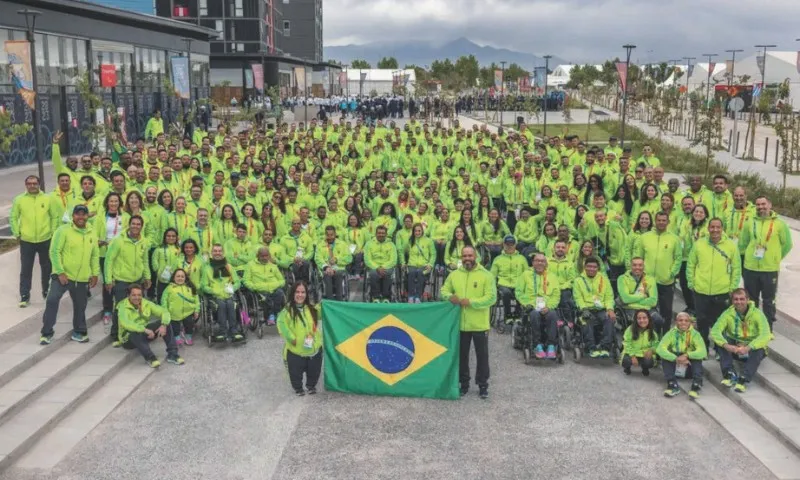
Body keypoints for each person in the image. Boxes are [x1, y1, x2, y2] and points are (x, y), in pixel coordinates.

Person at [441, 246, 496, 399]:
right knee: (462, 356)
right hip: (460, 324)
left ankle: (483, 384)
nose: (467, 258)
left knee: (482, 356)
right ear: (461, 257)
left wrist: (470, 302)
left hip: (479, 324)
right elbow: (444, 290)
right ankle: (463, 383)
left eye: (470, 255)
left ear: (476, 256)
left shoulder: (486, 275)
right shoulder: (454, 275)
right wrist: (449, 297)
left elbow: (491, 298)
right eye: (464, 256)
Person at [40, 205, 100, 345]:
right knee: (52, 300)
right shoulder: (63, 230)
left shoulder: (92, 232)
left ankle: (79, 331)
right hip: (62, 276)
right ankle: (47, 332)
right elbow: (54, 252)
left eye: (83, 214)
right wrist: (60, 272)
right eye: (77, 214)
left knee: (80, 305)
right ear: (73, 216)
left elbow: (94, 255)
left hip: (81, 278)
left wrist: (95, 273)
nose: (81, 217)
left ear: (87, 216)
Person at [687, 217, 741, 351]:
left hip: (721, 291)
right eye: (712, 227)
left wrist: (733, 287)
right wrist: (691, 282)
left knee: (720, 323)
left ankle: (719, 349)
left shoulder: (731, 246)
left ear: (722, 229)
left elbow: (736, 268)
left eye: (718, 227)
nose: (715, 230)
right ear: (708, 228)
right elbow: (691, 264)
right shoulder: (699, 244)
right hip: (701, 290)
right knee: (702, 321)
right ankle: (703, 346)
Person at [740, 196, 792, 329]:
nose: (760, 207)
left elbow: (787, 245)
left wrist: (775, 258)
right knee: (751, 300)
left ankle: (768, 327)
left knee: (769, 300)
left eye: (763, 204)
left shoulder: (780, 224)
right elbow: (743, 244)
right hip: (751, 268)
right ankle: (752, 325)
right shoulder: (749, 222)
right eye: (758, 205)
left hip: (770, 269)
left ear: (770, 205)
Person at [710, 289, 772, 393]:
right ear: (732, 301)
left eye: (742, 299)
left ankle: (743, 378)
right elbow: (715, 331)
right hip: (735, 347)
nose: (739, 302)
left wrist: (748, 347)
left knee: (760, 348)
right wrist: (727, 345)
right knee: (720, 342)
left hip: (751, 348)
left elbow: (766, 335)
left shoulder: (758, 314)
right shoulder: (727, 313)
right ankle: (729, 374)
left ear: (748, 300)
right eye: (736, 299)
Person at [104, 215, 151, 346]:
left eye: (138, 224)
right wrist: (108, 280)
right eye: (133, 224)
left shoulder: (144, 242)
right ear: (129, 225)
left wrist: (147, 277)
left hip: (137, 280)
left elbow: (145, 261)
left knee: (136, 309)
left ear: (142, 227)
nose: (136, 226)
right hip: (121, 280)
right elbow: (109, 260)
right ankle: (115, 335)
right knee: (120, 308)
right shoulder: (118, 241)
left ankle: (133, 334)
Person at [11, 175, 54, 307]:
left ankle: (46, 291)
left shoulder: (47, 199)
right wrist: (17, 233)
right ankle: (24, 295)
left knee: (46, 268)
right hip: (27, 240)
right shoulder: (19, 199)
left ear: (39, 184)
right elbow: (13, 217)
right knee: (26, 269)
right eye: (29, 183)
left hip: (45, 239)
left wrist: (52, 232)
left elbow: (54, 217)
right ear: (26, 185)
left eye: (34, 183)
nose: (32, 186)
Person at [633, 211, 681, 326]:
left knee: (666, 311)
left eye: (664, 220)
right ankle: (648, 335)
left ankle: (664, 336)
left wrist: (671, 273)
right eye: (659, 220)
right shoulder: (645, 237)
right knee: (646, 310)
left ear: (668, 222)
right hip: (647, 281)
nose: (661, 222)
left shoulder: (674, 239)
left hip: (666, 281)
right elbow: (638, 257)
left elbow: (678, 258)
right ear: (655, 221)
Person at [118, 283, 183, 368]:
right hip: (128, 339)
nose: (137, 297)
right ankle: (150, 358)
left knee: (165, 322)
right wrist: (144, 330)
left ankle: (173, 354)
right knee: (134, 332)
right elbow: (126, 323)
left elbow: (164, 312)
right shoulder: (122, 306)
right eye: (133, 295)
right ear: (128, 295)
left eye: (139, 295)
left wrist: (163, 325)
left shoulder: (146, 303)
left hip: (146, 333)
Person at [277, 282, 322, 396]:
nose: (300, 295)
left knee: (314, 370)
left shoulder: (312, 309)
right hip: (296, 350)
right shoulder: (287, 311)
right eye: (297, 292)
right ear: (292, 293)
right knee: (295, 373)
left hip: (314, 348)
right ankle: (298, 388)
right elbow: (281, 324)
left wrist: (328, 305)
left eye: (303, 292)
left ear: (306, 294)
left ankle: (311, 385)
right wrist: (292, 338)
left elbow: (325, 312)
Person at [516, 253, 560, 359]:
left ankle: (551, 345)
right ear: (533, 262)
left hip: (547, 306)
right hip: (531, 306)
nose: (540, 263)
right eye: (537, 260)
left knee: (553, 314)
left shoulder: (552, 277)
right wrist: (528, 304)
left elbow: (556, 295)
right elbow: (519, 292)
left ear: (546, 263)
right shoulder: (525, 275)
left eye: (542, 261)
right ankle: (537, 345)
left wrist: (549, 306)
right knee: (534, 315)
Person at [657, 312, 707, 399]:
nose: (683, 323)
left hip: (689, 368)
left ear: (690, 323)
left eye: (686, 320)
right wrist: (676, 358)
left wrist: (687, 355)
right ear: (676, 322)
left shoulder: (695, 334)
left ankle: (696, 385)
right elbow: (660, 349)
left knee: (697, 357)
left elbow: (703, 352)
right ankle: (672, 385)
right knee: (665, 357)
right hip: (675, 367)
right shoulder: (671, 333)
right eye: (680, 320)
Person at [572, 257, 616, 358]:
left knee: (609, 319)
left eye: (594, 267)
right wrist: (583, 308)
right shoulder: (578, 280)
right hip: (586, 309)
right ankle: (591, 347)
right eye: (589, 266)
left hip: (601, 309)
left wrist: (610, 309)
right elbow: (577, 297)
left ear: (598, 268)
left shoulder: (604, 280)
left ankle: (605, 347)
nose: (592, 269)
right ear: (585, 267)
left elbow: (609, 296)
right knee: (586, 320)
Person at [202, 244, 244, 342]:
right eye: (215, 251)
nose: (217, 253)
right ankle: (222, 331)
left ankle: (234, 330)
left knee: (230, 303)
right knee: (221, 304)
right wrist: (213, 291)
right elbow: (204, 285)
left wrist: (232, 288)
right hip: (215, 296)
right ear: (211, 253)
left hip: (229, 294)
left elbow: (237, 281)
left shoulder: (229, 267)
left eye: (219, 251)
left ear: (223, 253)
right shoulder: (207, 269)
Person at [616, 257, 665, 334]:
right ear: (630, 266)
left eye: (640, 265)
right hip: (629, 309)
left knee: (658, 320)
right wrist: (643, 296)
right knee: (639, 321)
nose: (637, 268)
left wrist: (631, 301)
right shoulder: (622, 279)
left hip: (645, 308)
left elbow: (653, 301)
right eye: (634, 265)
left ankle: (655, 341)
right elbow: (625, 299)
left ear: (643, 266)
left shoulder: (650, 279)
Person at [490, 235, 529, 324]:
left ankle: (517, 314)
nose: (509, 246)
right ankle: (507, 315)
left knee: (522, 291)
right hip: (503, 284)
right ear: (504, 245)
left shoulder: (522, 259)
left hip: (518, 284)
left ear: (515, 245)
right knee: (506, 292)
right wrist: (493, 286)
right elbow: (492, 275)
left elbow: (527, 274)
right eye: (507, 244)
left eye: (512, 244)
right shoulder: (498, 259)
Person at [243, 247, 286, 326]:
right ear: (258, 256)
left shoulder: (273, 266)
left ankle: (273, 316)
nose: (265, 258)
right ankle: (270, 317)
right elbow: (246, 281)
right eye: (262, 256)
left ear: (269, 256)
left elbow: (282, 280)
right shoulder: (250, 265)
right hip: (259, 289)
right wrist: (254, 287)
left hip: (273, 288)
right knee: (266, 298)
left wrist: (274, 285)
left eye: (266, 256)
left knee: (280, 293)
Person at [160, 268, 200, 346]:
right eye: (178, 276)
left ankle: (188, 336)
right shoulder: (168, 289)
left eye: (182, 276)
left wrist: (197, 310)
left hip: (188, 312)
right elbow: (163, 301)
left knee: (189, 325)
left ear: (185, 278)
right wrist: (166, 312)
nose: (180, 278)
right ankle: (177, 337)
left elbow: (196, 300)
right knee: (175, 328)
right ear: (173, 277)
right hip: (174, 313)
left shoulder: (190, 287)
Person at [314, 226, 352, 301]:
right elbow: (318, 258)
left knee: (338, 274)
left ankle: (339, 300)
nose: (330, 237)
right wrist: (326, 267)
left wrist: (337, 260)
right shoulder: (320, 245)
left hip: (339, 268)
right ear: (325, 235)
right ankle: (330, 300)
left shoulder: (343, 244)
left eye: (332, 235)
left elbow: (349, 258)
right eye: (328, 235)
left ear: (335, 234)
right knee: (327, 275)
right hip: (326, 269)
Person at [364, 225, 398, 302]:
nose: (381, 235)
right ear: (376, 234)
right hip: (374, 267)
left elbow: (393, 260)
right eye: (379, 233)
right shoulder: (369, 244)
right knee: (373, 274)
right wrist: (377, 268)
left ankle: (386, 297)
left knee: (387, 273)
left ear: (386, 234)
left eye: (383, 233)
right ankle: (375, 297)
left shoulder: (391, 244)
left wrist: (383, 267)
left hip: (387, 267)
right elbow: (367, 259)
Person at [403, 223, 435, 303]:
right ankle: (410, 296)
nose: (417, 232)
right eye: (415, 231)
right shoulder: (410, 241)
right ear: (413, 232)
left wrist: (430, 264)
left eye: (419, 231)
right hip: (412, 264)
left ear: (422, 231)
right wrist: (403, 262)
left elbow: (433, 254)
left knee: (420, 273)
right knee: (412, 273)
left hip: (424, 265)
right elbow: (403, 251)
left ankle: (418, 296)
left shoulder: (428, 241)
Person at [621, 310, 658, 376]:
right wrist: (632, 356)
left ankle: (645, 368)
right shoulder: (630, 329)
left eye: (644, 318)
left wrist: (652, 350)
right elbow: (626, 343)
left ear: (648, 319)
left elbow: (656, 344)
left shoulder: (652, 332)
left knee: (649, 362)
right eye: (639, 318)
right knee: (626, 361)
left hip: (644, 353)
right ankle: (627, 368)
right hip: (632, 352)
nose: (642, 320)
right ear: (636, 320)